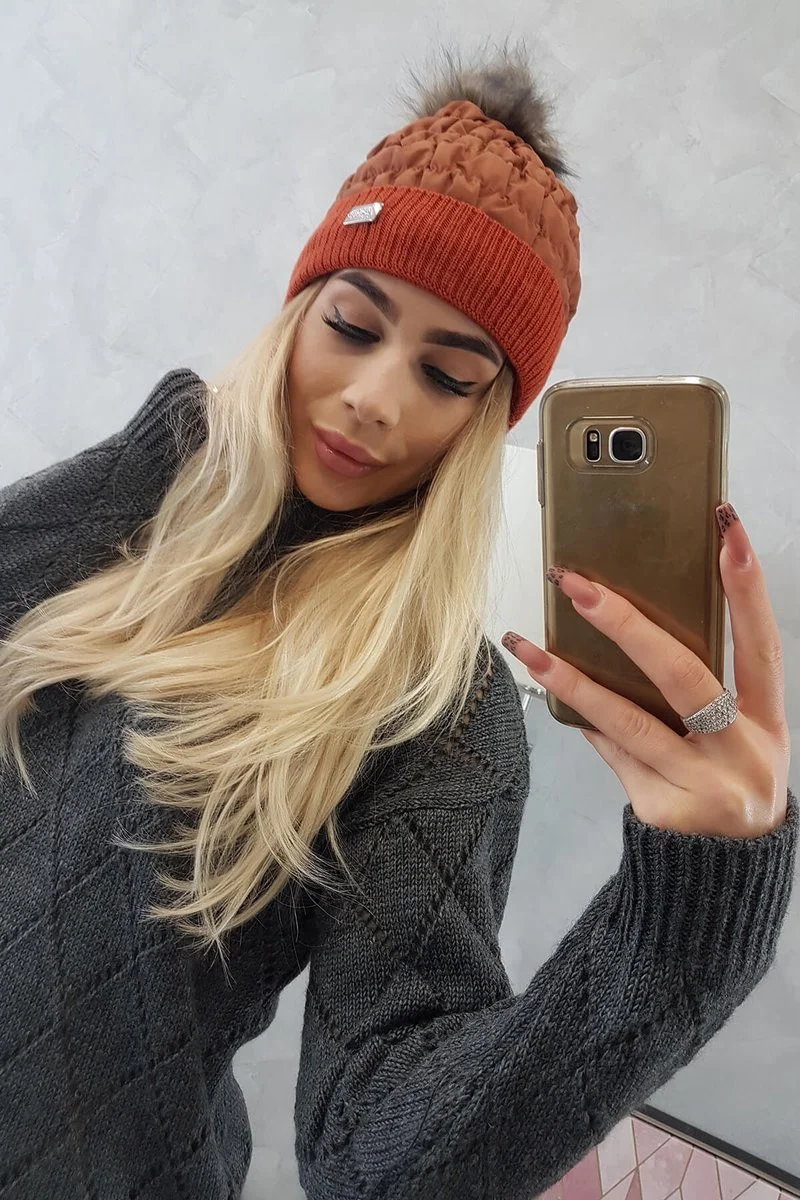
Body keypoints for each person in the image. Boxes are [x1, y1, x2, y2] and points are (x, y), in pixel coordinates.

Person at [0, 42, 794, 1200]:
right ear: (298, 310)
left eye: (447, 374)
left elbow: (379, 1159)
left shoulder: (435, 714)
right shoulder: (128, 495)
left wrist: (680, 926)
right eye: (353, 324)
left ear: (486, 419)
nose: (373, 399)